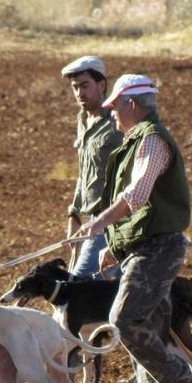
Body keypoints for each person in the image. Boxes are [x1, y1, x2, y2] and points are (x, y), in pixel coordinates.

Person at [71, 74, 192, 383]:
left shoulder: (152, 141)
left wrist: (98, 224)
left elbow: (137, 195)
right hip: (143, 247)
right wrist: (114, 246)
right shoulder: (135, 140)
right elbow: (140, 209)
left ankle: (178, 379)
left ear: (131, 104)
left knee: (125, 321)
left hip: (159, 249)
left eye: (114, 106)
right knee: (150, 328)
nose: (110, 113)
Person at [60, 55, 123, 279]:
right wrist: (73, 215)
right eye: (75, 87)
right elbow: (84, 174)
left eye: (85, 86)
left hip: (113, 220)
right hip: (92, 221)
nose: (79, 93)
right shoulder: (83, 120)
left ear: (102, 84)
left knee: (78, 286)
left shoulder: (118, 121)